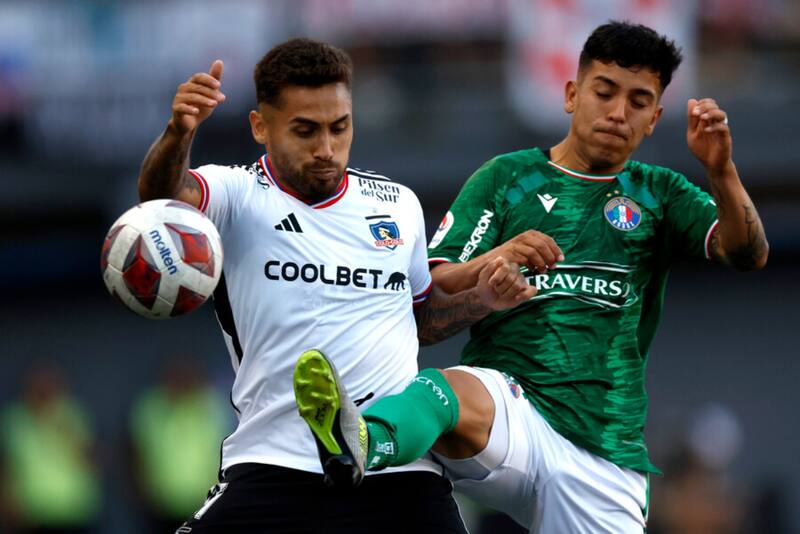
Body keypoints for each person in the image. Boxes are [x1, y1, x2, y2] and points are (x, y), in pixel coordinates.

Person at [297, 21, 768, 533]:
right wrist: (496, 260)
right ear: (572, 94)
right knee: (442, 391)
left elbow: (747, 254)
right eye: (604, 92)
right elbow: (439, 283)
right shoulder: (507, 177)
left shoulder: (661, 193)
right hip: (510, 408)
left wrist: (721, 170)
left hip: (604, 450)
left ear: (654, 118)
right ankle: (364, 441)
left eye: (637, 101)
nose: (617, 112)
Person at [137, 37, 531, 533]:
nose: (326, 148)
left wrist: (482, 300)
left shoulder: (398, 205)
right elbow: (159, 199)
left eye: (338, 128)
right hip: (273, 465)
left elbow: (420, 320)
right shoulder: (237, 194)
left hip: (394, 471)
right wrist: (178, 133)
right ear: (260, 126)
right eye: (305, 131)